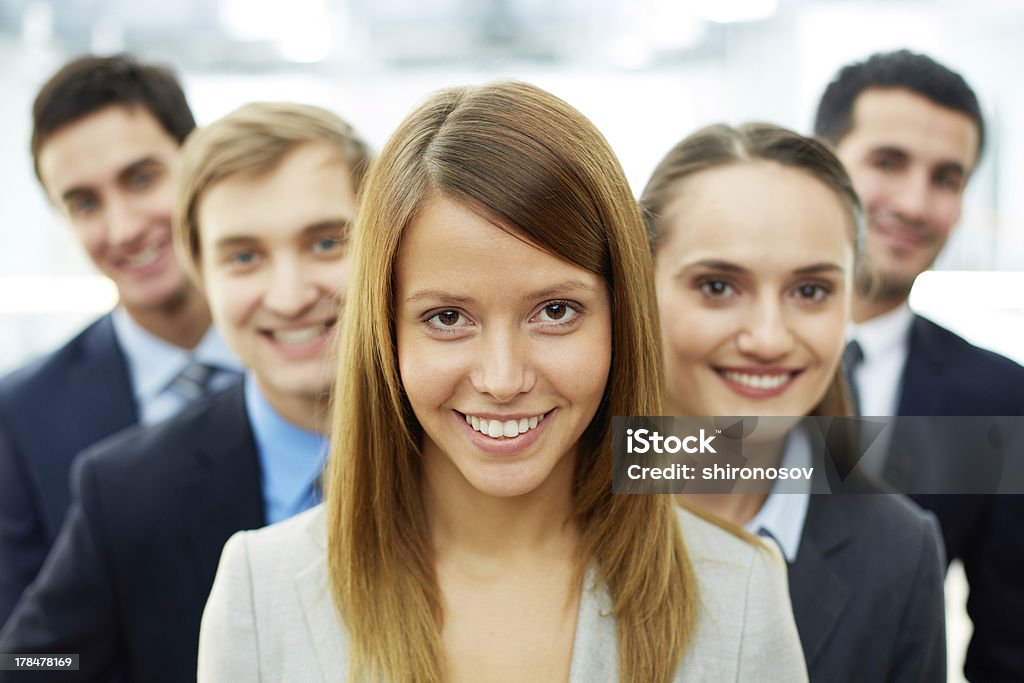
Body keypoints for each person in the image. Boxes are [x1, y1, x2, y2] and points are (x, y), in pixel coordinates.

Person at [198, 82, 807, 682]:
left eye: (556, 311)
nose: (503, 379)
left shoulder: (742, 591)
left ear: (622, 319)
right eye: (446, 318)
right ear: (385, 334)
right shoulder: (260, 590)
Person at [0, 103, 371, 683]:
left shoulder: (472, 443)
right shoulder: (127, 490)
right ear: (201, 271)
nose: (290, 294)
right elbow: (26, 663)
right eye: (244, 257)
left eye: (326, 243)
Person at [640, 122, 946, 682]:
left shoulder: (898, 553)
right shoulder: (543, 507)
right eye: (717, 286)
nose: (769, 338)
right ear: (639, 284)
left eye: (810, 291)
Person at [0, 54, 242, 627]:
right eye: (85, 202)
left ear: (198, 162)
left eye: (141, 178)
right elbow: (27, 657)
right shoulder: (19, 418)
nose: (124, 228)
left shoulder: (319, 361)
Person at [816, 49, 1024, 681]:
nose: (914, 203)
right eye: (888, 162)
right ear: (821, 164)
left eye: (946, 178)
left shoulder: (996, 400)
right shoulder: (690, 357)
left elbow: (1009, 648)